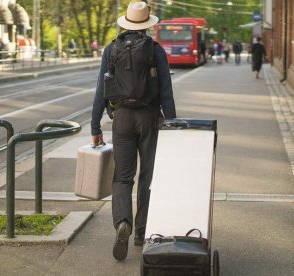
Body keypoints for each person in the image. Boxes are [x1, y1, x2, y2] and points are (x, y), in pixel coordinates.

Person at [90, 1, 176, 261]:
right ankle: (141, 232)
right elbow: (166, 92)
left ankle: (122, 224)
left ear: (125, 23)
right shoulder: (156, 51)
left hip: (122, 119)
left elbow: (100, 90)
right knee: (148, 178)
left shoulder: (111, 49)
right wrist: (172, 124)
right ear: (147, 25)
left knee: (123, 177)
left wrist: (95, 126)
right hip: (149, 119)